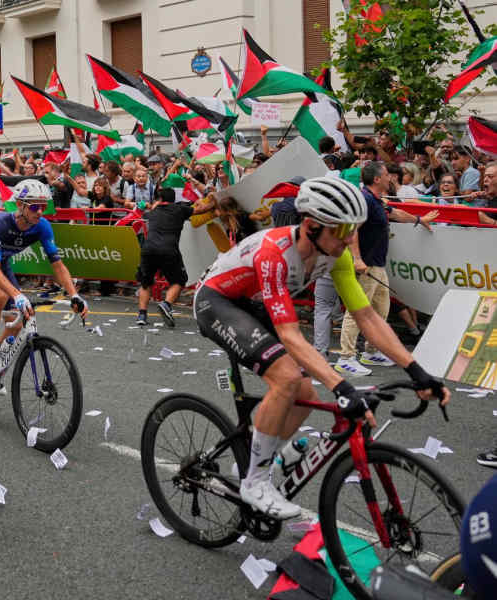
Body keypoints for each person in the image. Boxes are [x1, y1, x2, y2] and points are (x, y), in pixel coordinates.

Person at [194, 175, 450, 519]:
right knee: (286, 378)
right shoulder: (275, 254)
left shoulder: (336, 255)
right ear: (312, 226)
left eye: (352, 230)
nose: (347, 240)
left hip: (253, 305)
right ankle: (253, 482)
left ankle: (264, 456)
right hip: (219, 301)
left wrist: (417, 371)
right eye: (340, 231)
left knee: (306, 394)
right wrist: (341, 386)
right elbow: (289, 335)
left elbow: (369, 319)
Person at [0, 179, 88, 375]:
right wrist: (17, 295)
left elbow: (58, 265)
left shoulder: (42, 226)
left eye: (43, 207)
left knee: (18, 322)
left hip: (2, 264)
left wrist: (74, 295)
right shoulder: (0, 223)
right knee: (0, 296)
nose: (40, 212)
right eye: (35, 206)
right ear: (20, 205)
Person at [334, 162, 438, 377]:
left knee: (381, 310)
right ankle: (345, 358)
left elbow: (396, 213)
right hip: (366, 264)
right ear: (377, 179)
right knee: (357, 312)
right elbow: (351, 229)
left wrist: (419, 220)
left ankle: (370, 352)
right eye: (387, 175)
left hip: (376, 264)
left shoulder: (376, 200)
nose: (391, 177)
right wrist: (357, 259)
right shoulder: (365, 199)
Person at [135, 188, 215, 327]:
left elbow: (147, 210)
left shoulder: (153, 212)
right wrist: (214, 199)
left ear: (158, 199)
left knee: (145, 282)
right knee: (179, 280)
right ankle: (166, 304)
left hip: (148, 249)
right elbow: (203, 209)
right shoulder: (179, 209)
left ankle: (142, 315)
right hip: (169, 249)